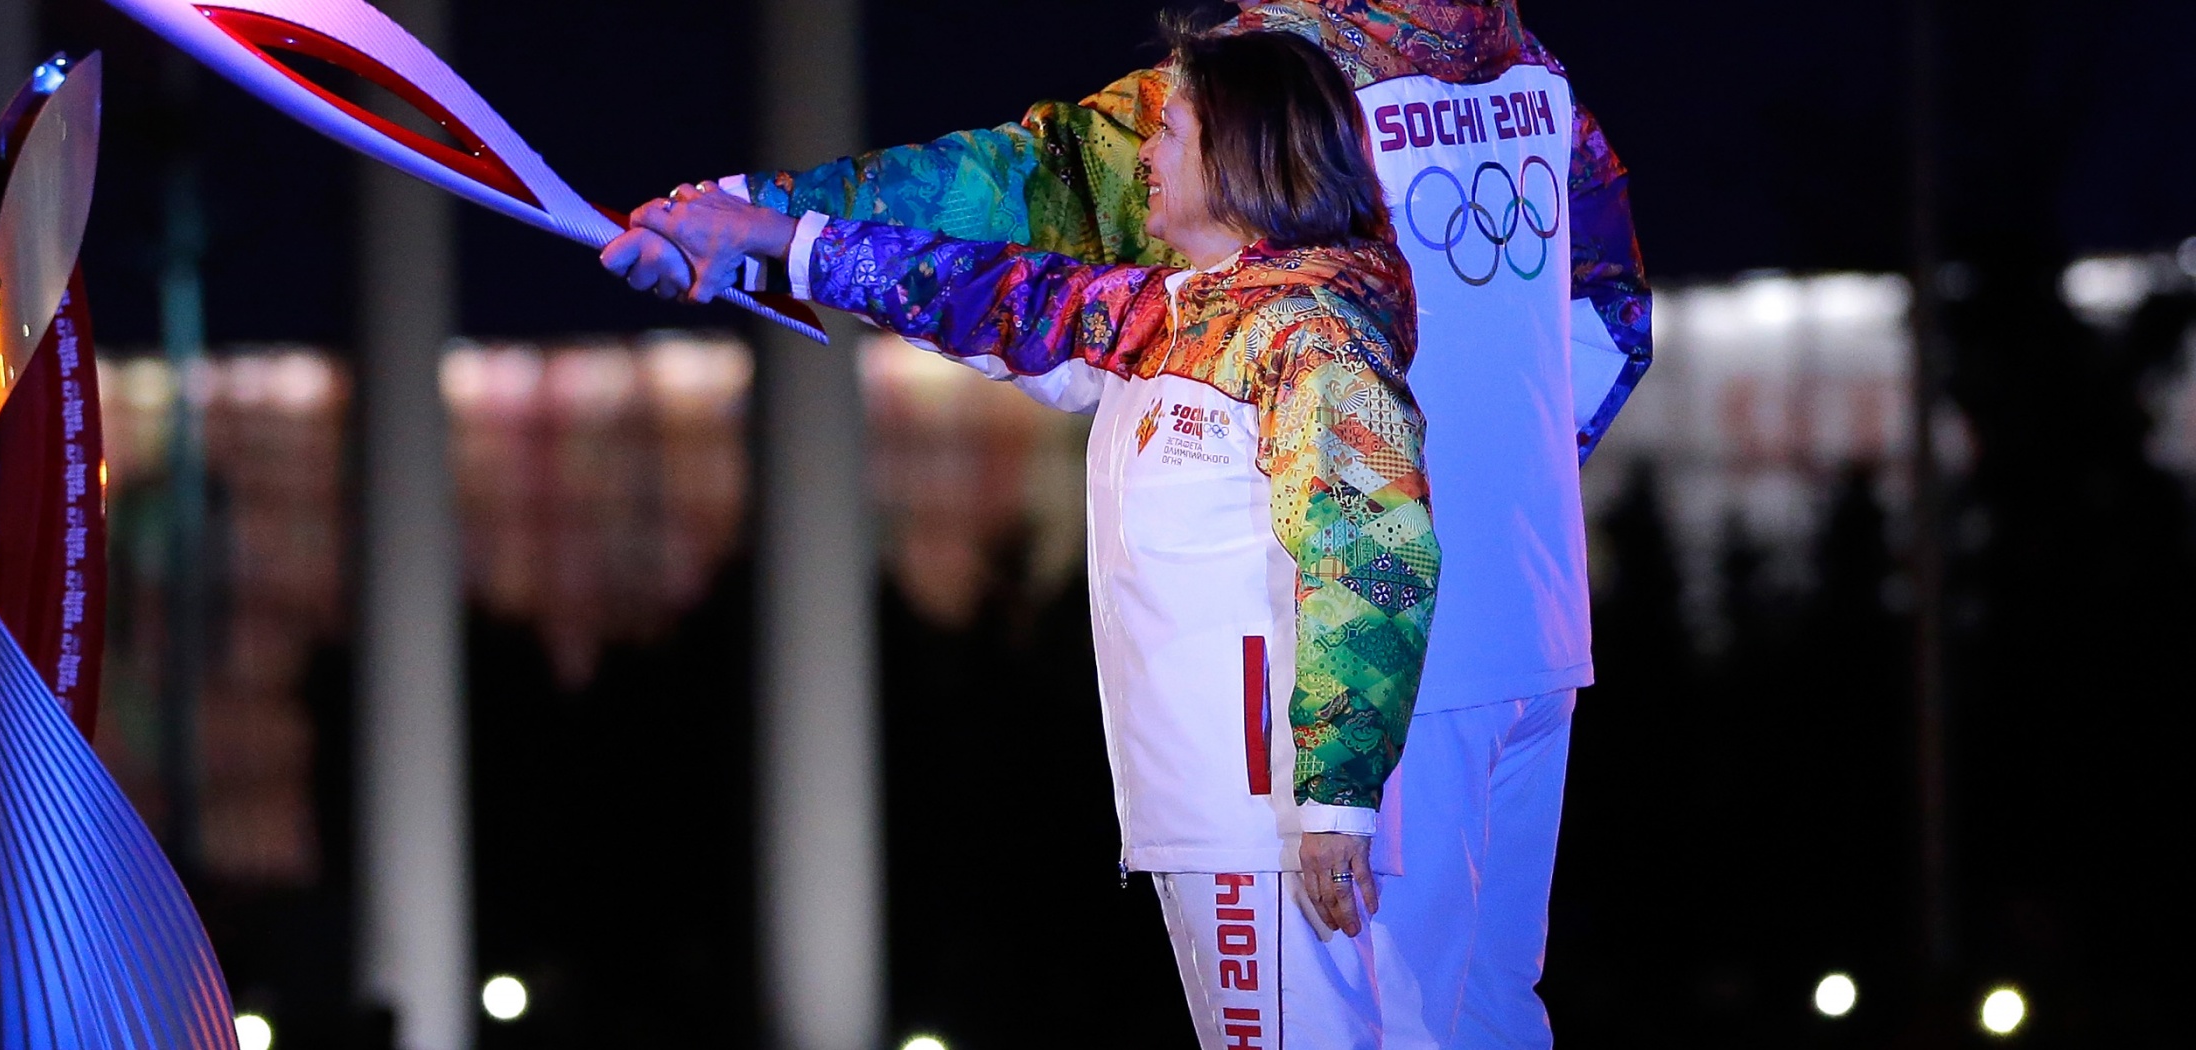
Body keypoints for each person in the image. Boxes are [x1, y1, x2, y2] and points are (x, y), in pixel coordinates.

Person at [605, 3, 1645, 1046]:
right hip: (1525, 630)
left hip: (1355, 678)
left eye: (1167, 137)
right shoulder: (1529, 76)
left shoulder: (1269, 81)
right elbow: (1610, 322)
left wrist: (748, 213)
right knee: (1483, 1020)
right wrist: (773, 241)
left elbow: (1023, 186)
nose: (1151, 150)